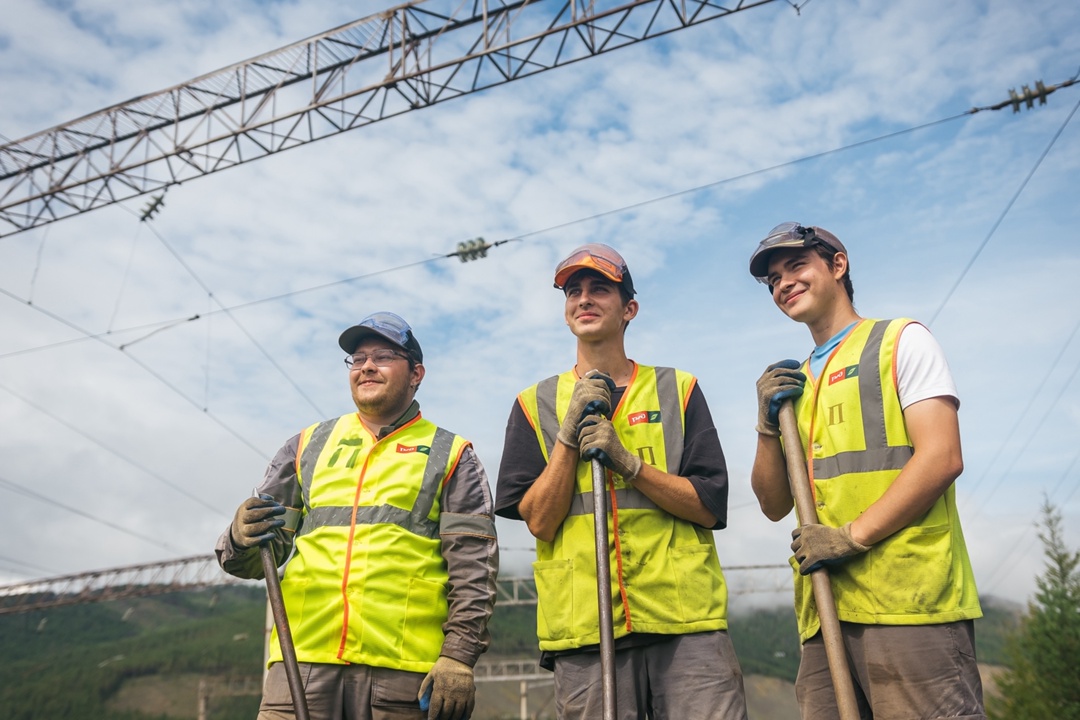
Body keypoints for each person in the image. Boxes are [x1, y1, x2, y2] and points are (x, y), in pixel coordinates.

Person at [495, 243, 748, 719]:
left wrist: (627, 463)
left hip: (684, 625)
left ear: (629, 308)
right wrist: (568, 438)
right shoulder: (535, 404)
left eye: (600, 289)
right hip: (585, 629)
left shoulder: (679, 389)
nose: (584, 299)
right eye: (574, 291)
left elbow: (709, 505)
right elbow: (539, 523)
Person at [748, 222, 985, 720]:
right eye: (773, 279)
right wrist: (766, 425)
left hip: (908, 604)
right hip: (825, 613)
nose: (783, 283)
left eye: (796, 266)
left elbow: (942, 456)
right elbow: (773, 505)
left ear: (838, 265)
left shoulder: (900, 341)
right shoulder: (796, 384)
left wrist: (849, 537)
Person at [216, 311, 499, 720]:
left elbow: (474, 567)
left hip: (403, 673)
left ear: (416, 373)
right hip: (301, 665)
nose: (366, 365)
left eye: (383, 355)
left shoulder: (452, 454)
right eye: (358, 358)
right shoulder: (307, 445)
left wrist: (458, 656)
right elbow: (258, 556)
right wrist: (239, 537)